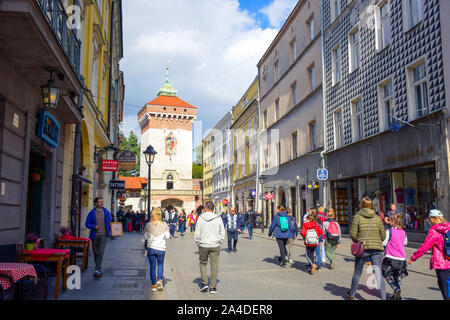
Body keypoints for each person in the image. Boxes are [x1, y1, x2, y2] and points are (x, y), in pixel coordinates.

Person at [347, 197, 386, 300]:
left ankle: (352, 294)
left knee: (357, 272)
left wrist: (357, 241)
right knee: (378, 273)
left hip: (362, 248)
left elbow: (353, 234)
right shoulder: (377, 217)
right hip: (377, 248)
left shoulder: (357, 217)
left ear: (362, 205)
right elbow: (383, 235)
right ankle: (383, 297)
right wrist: (377, 241)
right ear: (371, 205)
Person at [407, 209, 450, 300]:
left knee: (445, 290)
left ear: (434, 219)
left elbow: (424, 247)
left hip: (442, 264)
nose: (429, 221)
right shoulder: (448, 228)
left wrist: (413, 258)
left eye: (430, 219)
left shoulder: (434, 231)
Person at [194, 201, 225, 294]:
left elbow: (197, 233)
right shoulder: (218, 218)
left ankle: (204, 283)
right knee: (214, 266)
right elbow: (222, 232)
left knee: (203, 263)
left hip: (203, 244)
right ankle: (213, 287)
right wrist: (220, 242)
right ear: (213, 208)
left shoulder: (200, 218)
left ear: (206, 208)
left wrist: (198, 243)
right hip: (215, 245)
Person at [143, 207, 170, 292]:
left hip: (151, 248)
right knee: (160, 265)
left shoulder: (148, 225)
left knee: (152, 267)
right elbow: (168, 237)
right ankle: (159, 281)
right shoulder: (164, 225)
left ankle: (154, 285)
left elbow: (145, 237)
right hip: (161, 248)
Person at [382, 213, 408, 300]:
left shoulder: (389, 231)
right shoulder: (403, 232)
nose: (388, 222)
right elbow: (405, 243)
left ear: (393, 221)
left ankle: (396, 289)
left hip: (390, 257)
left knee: (386, 274)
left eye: (390, 220)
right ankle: (397, 294)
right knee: (398, 276)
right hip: (401, 258)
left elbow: (384, 243)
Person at [85, 197, 112, 278]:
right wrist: (94, 226)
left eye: (102, 202)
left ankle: (96, 270)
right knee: (96, 252)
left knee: (100, 252)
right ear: (96, 203)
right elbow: (86, 224)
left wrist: (112, 230)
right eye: (100, 202)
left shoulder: (106, 212)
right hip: (94, 235)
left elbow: (110, 223)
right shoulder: (91, 213)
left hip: (103, 235)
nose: (102, 203)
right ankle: (98, 267)